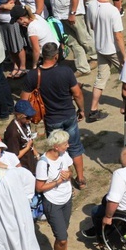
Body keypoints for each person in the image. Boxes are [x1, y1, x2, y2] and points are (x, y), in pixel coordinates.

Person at [21, 43, 88, 188]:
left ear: (42, 56)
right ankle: (81, 180)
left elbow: (23, 100)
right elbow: (77, 93)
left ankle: (66, 183)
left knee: (58, 151)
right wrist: (81, 110)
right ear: (56, 56)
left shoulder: (33, 75)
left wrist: (28, 119)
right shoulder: (66, 71)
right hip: (69, 115)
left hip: (51, 120)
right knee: (75, 147)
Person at [35, 130, 83, 250]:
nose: (68, 146)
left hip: (66, 199)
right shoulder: (43, 163)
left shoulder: (63, 155)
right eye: (64, 144)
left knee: (64, 231)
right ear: (56, 146)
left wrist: (69, 177)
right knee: (61, 237)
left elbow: (68, 171)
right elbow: (39, 187)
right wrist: (57, 182)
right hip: (53, 202)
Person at [89, 0, 126, 122]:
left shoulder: (92, 6)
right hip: (113, 50)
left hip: (100, 47)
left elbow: (92, 26)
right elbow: (118, 36)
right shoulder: (113, 11)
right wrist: (124, 56)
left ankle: (93, 110)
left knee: (100, 79)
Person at [10, 5, 57, 69]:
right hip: (55, 50)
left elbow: (36, 51)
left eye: (17, 21)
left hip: (49, 56)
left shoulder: (31, 28)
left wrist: (34, 65)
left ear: (21, 18)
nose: (17, 23)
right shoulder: (36, 16)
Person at [4, 100, 40, 174]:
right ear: (18, 115)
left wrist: (37, 155)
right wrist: (27, 147)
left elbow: (29, 141)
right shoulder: (13, 133)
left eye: (31, 117)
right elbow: (14, 157)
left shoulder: (25, 124)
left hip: (30, 161)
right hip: (22, 167)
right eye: (27, 117)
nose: (30, 120)